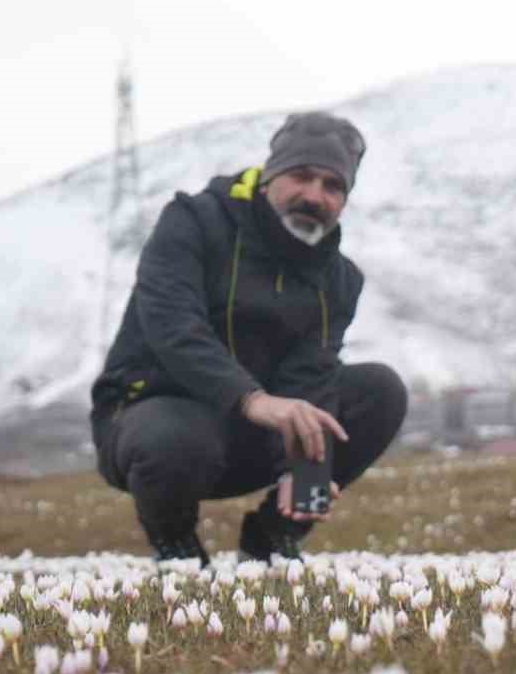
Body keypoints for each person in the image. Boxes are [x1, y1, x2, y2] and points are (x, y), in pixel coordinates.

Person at [90, 111, 407, 564]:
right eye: (301, 176)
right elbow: (174, 327)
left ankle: (272, 542)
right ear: (269, 174)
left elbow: (310, 373)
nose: (314, 196)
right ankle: (179, 553)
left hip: (252, 437)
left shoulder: (339, 279)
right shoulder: (193, 222)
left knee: (380, 389)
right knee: (175, 437)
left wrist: (305, 471)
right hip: (155, 426)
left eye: (333, 187)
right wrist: (252, 399)